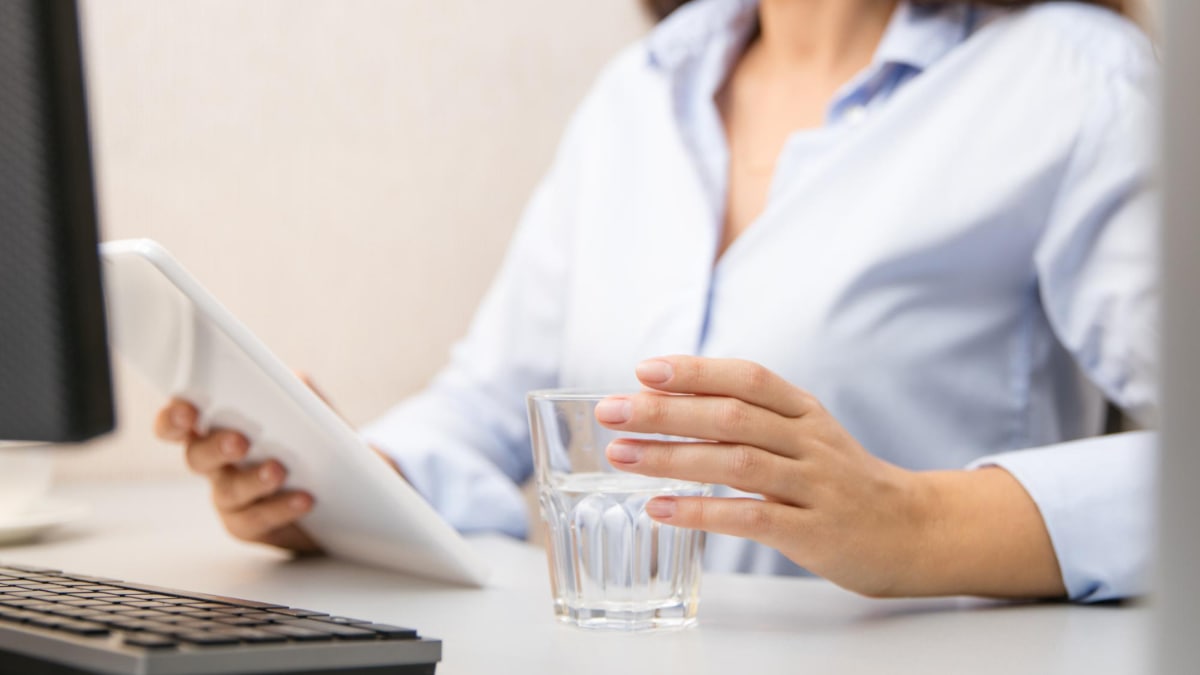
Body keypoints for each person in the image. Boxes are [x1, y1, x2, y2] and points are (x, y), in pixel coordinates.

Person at [156, 0, 1156, 602]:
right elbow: (490, 408)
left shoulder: (1075, 80)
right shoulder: (640, 92)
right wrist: (332, 488)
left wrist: (918, 524)